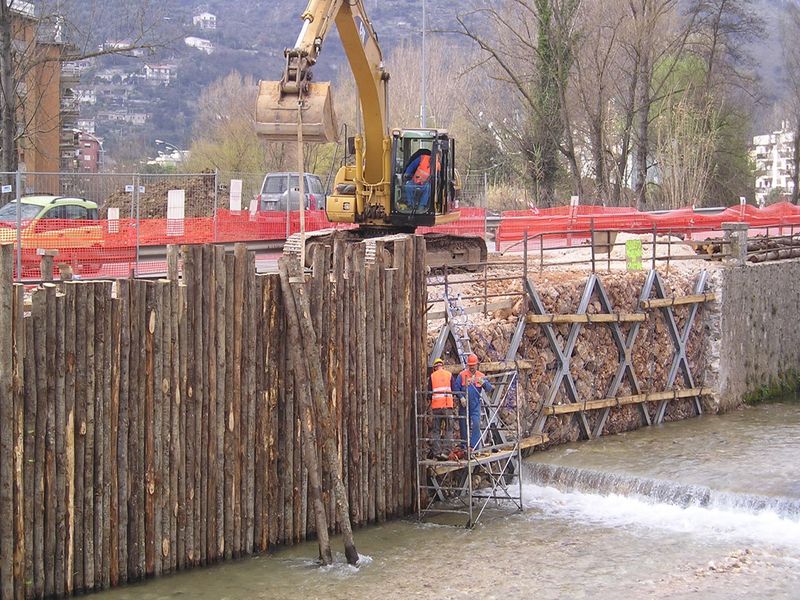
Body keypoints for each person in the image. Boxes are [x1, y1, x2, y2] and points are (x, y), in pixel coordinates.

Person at [453, 353, 493, 451]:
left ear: (477, 365)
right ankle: (464, 446)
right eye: (470, 365)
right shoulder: (462, 375)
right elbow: (456, 388)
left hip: (475, 405)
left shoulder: (480, 376)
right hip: (464, 405)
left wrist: (483, 383)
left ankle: (473, 447)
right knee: (463, 425)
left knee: (476, 424)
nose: (471, 367)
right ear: (468, 365)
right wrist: (461, 397)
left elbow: (489, 388)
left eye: (473, 365)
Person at [429, 357, 455, 460]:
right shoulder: (449, 375)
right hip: (447, 406)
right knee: (449, 429)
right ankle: (446, 452)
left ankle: (437, 452)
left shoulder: (432, 376)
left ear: (435, 367)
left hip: (436, 408)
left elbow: (429, 393)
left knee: (436, 430)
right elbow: (454, 389)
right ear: (442, 366)